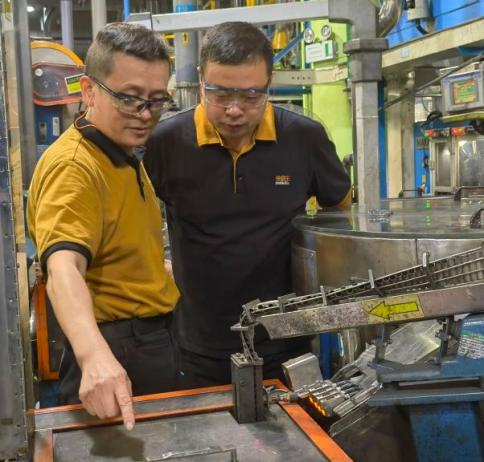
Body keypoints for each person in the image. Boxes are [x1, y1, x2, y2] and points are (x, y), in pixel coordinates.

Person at [144, 21, 351, 388]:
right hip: (196, 344)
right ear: (201, 80)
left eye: (252, 95)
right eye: (220, 94)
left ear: (270, 84)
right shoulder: (166, 142)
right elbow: (135, 218)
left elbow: (339, 212)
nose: (235, 110)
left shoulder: (303, 138)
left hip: (287, 341)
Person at [27, 23, 179, 430]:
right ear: (89, 91)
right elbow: (63, 267)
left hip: (147, 339)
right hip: (115, 350)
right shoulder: (75, 167)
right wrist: (94, 356)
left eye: (157, 100)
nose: (145, 114)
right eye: (129, 98)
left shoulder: (120, 152)